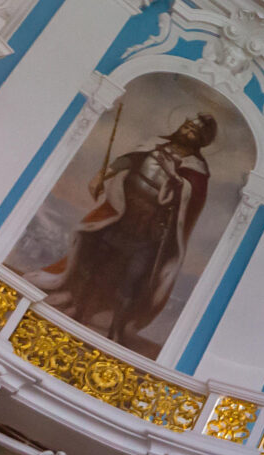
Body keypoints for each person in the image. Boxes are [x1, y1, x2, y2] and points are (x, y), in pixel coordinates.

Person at [36, 112, 220, 350]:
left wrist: (174, 176)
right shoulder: (155, 144)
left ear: (201, 140)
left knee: (131, 282)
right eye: (186, 126)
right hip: (122, 216)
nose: (186, 132)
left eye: (193, 132)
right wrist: (103, 175)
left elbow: (189, 200)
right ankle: (78, 307)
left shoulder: (196, 169)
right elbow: (129, 161)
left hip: (150, 231)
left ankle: (115, 331)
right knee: (93, 262)